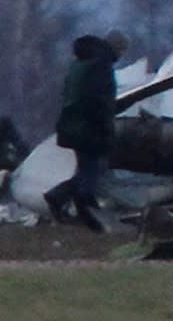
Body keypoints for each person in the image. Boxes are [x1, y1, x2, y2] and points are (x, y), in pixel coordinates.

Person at [44, 29, 128, 232]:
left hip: (72, 124)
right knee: (91, 172)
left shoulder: (81, 62)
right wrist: (107, 129)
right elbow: (101, 101)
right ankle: (62, 199)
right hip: (90, 128)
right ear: (117, 49)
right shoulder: (102, 66)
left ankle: (86, 215)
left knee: (86, 170)